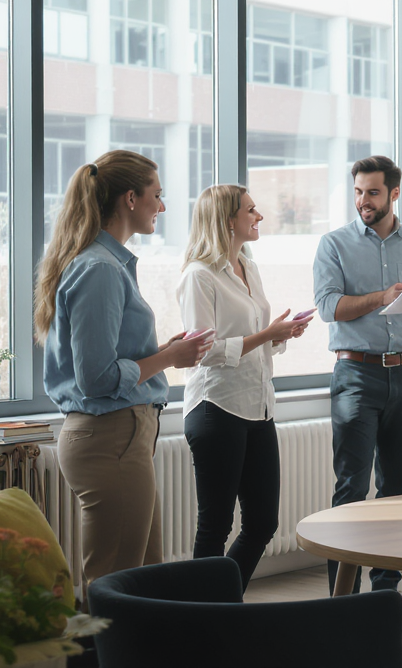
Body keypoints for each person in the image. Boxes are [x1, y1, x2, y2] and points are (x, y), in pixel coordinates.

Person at [36, 150, 214, 586]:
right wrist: (168, 359)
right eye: (158, 195)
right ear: (130, 199)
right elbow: (95, 380)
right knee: (114, 584)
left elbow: (109, 361)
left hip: (118, 437)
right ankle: (98, 657)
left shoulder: (106, 264)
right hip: (109, 437)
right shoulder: (100, 269)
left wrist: (161, 352)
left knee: (138, 579)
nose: (163, 206)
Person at [313, 155, 402, 624]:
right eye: (357, 192)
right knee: (351, 487)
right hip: (356, 374)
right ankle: (343, 599)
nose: (362, 201)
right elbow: (329, 307)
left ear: (393, 194)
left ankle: (387, 594)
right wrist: (380, 298)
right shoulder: (334, 245)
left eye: (371, 192)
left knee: (395, 491)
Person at [177, 185, 312, 592]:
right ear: (227, 220)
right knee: (215, 525)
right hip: (216, 407)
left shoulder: (247, 266)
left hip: (258, 406)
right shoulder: (198, 276)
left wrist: (280, 334)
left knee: (263, 523)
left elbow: (251, 337)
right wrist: (266, 334)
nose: (260, 216)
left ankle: (221, 604)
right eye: (251, 210)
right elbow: (202, 351)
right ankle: (206, 620)